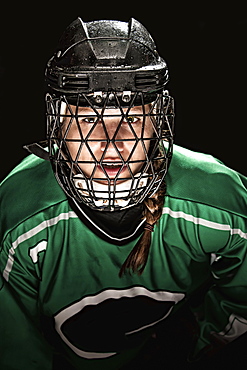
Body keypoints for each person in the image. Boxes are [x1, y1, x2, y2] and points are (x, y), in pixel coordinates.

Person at [0, 17, 247, 370]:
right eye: (88, 119)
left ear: (157, 119)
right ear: (58, 120)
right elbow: (13, 349)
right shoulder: (19, 215)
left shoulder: (217, 199)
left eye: (130, 119)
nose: (111, 143)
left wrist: (204, 351)